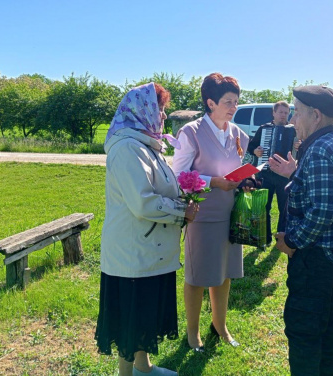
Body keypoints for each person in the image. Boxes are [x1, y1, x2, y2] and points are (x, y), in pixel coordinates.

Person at [95, 82, 198, 376]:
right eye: (161, 110)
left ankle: (143, 367)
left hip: (147, 249)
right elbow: (143, 203)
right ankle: (126, 373)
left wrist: (188, 194)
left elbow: (161, 187)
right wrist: (182, 211)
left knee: (143, 316)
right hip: (133, 253)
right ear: (143, 111)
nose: (164, 116)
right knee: (132, 318)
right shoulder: (128, 148)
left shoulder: (144, 145)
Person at [270, 85, 333, 376]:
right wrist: (294, 173)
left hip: (316, 260)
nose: (292, 119)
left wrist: (292, 241)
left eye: (297, 112)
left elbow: (321, 212)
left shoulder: (320, 150)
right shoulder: (328, 142)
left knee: (305, 334)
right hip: (330, 257)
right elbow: (320, 194)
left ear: (315, 115)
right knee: (325, 332)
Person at [172, 72, 249, 352]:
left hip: (231, 213)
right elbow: (177, 175)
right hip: (202, 216)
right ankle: (192, 333)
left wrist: (245, 181)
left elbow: (237, 169)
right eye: (228, 101)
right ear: (210, 103)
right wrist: (213, 182)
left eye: (236, 102)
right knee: (197, 276)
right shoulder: (190, 132)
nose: (233, 107)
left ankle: (220, 325)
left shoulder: (238, 134)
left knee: (224, 273)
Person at [246, 100, 293, 246]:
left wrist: (299, 144)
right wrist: (256, 151)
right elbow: (251, 146)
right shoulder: (264, 128)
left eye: (286, 113)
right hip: (266, 174)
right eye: (280, 112)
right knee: (264, 208)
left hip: (284, 177)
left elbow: (299, 150)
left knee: (284, 209)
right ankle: (265, 238)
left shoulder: (293, 130)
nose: (283, 115)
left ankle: (281, 238)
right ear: (274, 113)